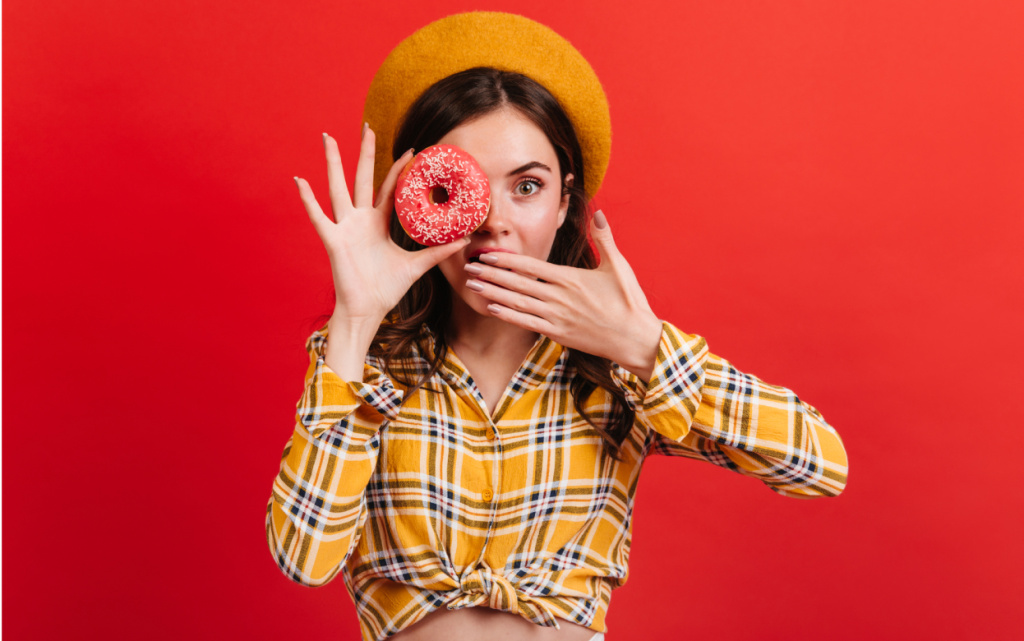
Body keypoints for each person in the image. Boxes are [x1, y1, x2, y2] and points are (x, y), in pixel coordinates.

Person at [266, 13, 848, 641]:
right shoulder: (367, 363)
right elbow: (304, 557)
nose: (493, 222)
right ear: (416, 198)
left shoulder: (618, 366)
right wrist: (355, 321)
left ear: (565, 202)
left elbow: (819, 466)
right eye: (460, 187)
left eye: (527, 186)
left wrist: (646, 348)